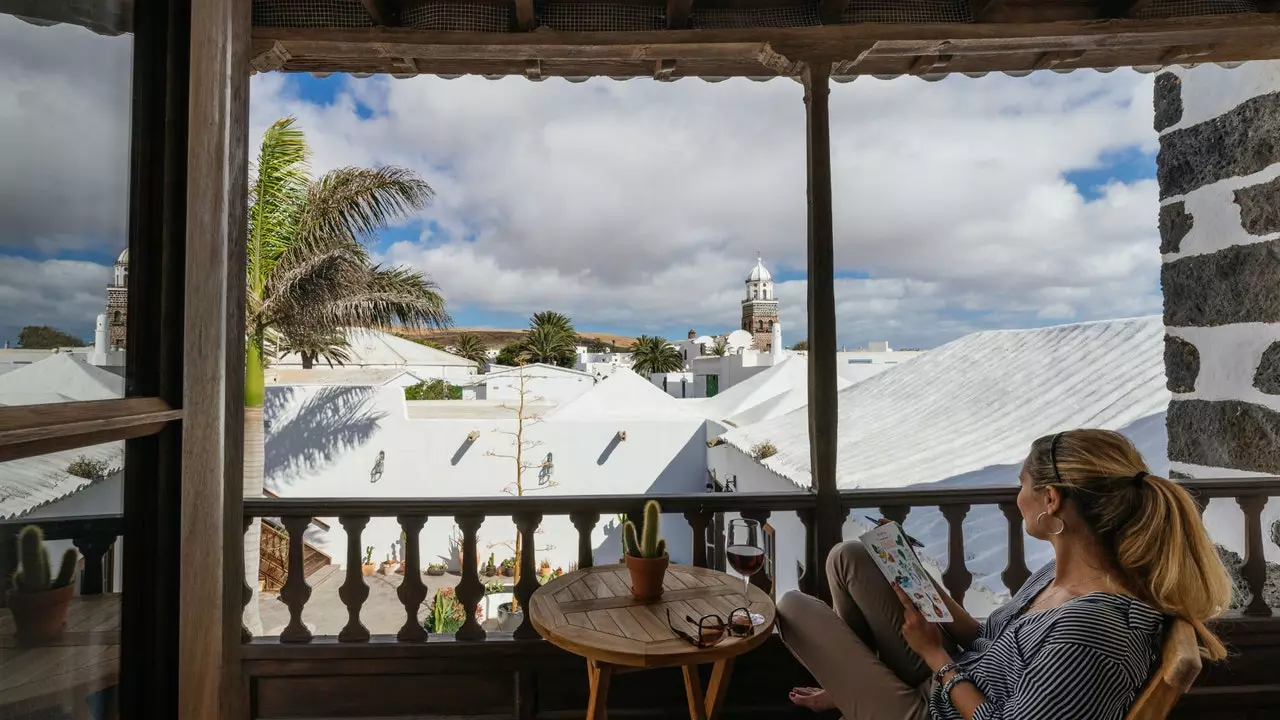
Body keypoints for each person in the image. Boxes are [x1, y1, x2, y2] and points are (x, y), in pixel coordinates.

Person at [777, 429, 1232, 720]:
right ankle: (855, 691)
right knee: (851, 557)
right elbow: (988, 641)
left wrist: (936, 657)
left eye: (1023, 484)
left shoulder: (1092, 630)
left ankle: (860, 697)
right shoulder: (1058, 577)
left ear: (1051, 500)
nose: (1018, 496)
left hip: (938, 710)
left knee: (792, 607)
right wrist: (921, 582)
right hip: (960, 679)